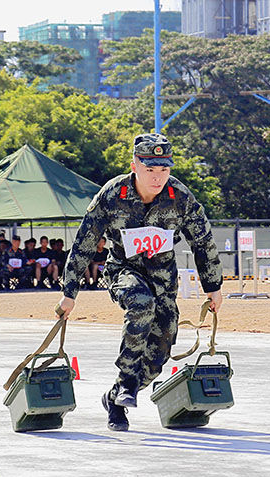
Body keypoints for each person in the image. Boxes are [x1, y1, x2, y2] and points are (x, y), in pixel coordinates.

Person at [56, 133, 223, 432]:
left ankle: (116, 396)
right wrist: (69, 292)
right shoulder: (112, 195)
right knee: (140, 302)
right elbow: (84, 242)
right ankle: (127, 384)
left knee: (159, 354)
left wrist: (213, 287)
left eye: (164, 169)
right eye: (150, 169)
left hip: (163, 282)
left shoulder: (180, 198)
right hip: (123, 271)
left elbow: (203, 242)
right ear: (134, 166)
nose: (158, 177)